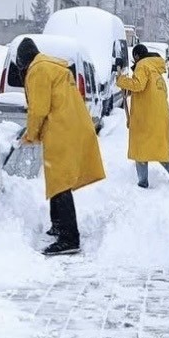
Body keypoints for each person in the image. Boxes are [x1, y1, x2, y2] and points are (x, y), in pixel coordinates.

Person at [20, 37, 105, 256]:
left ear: (23, 60)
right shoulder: (54, 67)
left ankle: (69, 238)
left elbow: (38, 109)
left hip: (62, 129)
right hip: (73, 125)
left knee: (60, 181)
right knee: (57, 177)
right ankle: (58, 224)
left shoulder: (39, 70)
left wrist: (31, 134)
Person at [116, 43, 169, 188]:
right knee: (159, 148)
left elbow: (138, 85)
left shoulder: (142, 65)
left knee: (140, 149)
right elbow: (145, 89)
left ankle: (143, 182)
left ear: (136, 56)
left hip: (146, 117)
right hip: (160, 116)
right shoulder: (155, 70)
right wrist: (128, 90)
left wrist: (121, 80)